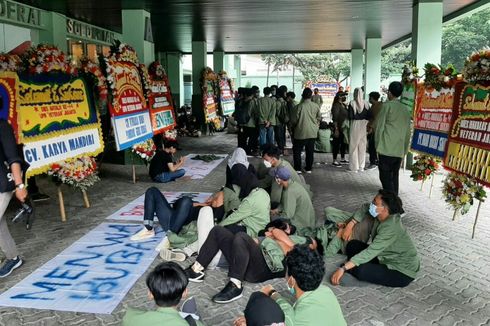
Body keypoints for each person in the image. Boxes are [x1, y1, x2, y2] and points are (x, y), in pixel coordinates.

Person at [186, 223, 319, 304]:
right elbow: (272, 234)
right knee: (218, 230)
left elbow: (277, 233)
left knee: (241, 236)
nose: (308, 242)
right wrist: (276, 239)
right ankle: (197, 270)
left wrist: (283, 240)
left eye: (311, 243)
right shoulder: (294, 241)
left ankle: (235, 285)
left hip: (264, 267)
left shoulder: (304, 254)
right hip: (253, 258)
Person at [331, 190, 419, 288]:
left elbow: (371, 252)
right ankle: (359, 268)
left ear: (384, 209)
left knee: (361, 270)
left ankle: (359, 274)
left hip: (401, 271)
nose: (371, 204)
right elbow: (365, 207)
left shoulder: (391, 228)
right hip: (384, 257)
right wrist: (351, 223)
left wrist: (343, 268)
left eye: (374, 203)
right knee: (353, 245)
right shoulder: (381, 214)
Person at [261, 245, 346, 326]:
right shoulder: (326, 291)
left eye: (286, 273)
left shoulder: (296, 319)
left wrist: (272, 293)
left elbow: (288, 313)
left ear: (292, 280)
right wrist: (274, 294)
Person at [122, 262, 204, 326]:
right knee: (193, 318)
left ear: (150, 294)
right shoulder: (196, 324)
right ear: (184, 293)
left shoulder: (130, 317)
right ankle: (189, 314)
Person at [0, 119, 27, 278]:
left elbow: (13, 158)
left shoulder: (2, 126)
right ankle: (13, 257)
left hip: (3, 184)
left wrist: (20, 186)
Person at [375, 82, 412, 195]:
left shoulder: (387, 106)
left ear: (389, 93)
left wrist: (377, 145)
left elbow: (379, 128)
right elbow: (408, 131)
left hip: (386, 148)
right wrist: (405, 149)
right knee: (394, 178)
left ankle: (395, 207)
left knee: (385, 179)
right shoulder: (405, 109)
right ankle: (394, 205)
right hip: (399, 150)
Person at [130, 187, 195, 242]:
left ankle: (171, 237)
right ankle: (148, 229)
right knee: (152, 190)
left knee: (186, 200)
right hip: (171, 216)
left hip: (180, 225)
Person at [270, 167, 315, 234]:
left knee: (273, 223)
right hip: (308, 218)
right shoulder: (293, 184)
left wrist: (274, 217)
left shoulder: (289, 192)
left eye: (275, 178)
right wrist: (277, 210)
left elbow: (287, 215)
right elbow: (285, 203)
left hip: (302, 224)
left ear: (278, 179)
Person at [291, 88, 321, 174]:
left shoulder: (298, 107)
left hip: (300, 132)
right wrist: (315, 125)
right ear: (311, 96)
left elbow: (294, 120)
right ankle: (308, 168)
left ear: (302, 95)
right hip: (312, 132)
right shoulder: (316, 106)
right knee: (310, 151)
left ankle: (298, 168)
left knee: (297, 151)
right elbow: (319, 118)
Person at [347, 87, 370, 172]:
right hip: (364, 124)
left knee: (354, 145)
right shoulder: (366, 103)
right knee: (362, 145)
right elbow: (369, 115)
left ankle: (354, 167)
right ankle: (361, 166)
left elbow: (350, 116)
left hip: (355, 124)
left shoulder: (352, 103)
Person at [236, 88, 259, 155]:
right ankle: (249, 150)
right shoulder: (253, 101)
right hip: (251, 124)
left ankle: (241, 151)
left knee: (243, 139)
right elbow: (255, 112)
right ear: (252, 94)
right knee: (253, 138)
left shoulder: (240, 101)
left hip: (242, 124)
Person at [331, 92, 349, 167]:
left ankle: (342, 158)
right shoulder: (336, 105)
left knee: (343, 144)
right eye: (343, 95)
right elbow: (335, 118)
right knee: (336, 144)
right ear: (339, 97)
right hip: (338, 127)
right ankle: (334, 160)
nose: (345, 97)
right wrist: (336, 129)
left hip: (343, 128)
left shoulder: (344, 105)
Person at [367, 91, 382, 170]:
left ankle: (374, 162)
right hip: (373, 128)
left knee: (372, 146)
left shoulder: (377, 106)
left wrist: (371, 128)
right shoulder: (374, 105)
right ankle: (375, 161)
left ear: (372, 98)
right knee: (372, 146)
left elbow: (376, 119)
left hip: (374, 130)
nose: (369, 99)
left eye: (369, 98)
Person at [274, 87, 288, 154]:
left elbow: (277, 112)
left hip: (278, 121)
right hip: (283, 121)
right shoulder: (284, 101)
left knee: (278, 136)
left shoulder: (277, 102)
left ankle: (281, 149)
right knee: (282, 135)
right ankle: (282, 148)